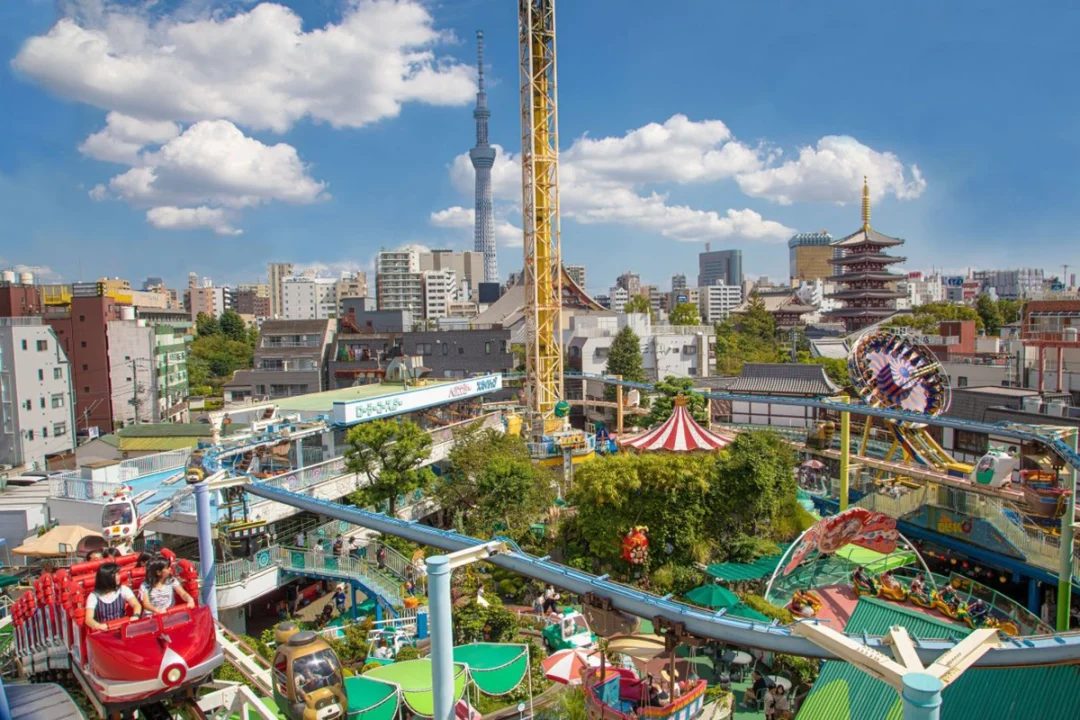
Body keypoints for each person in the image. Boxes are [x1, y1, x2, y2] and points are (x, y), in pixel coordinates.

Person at [84, 562, 143, 630]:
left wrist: (136, 615)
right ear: (106, 578)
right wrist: (98, 626)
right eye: (116, 574)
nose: (119, 577)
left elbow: (136, 604)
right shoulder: (94, 596)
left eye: (118, 574)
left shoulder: (123, 589)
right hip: (104, 631)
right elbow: (88, 619)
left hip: (122, 628)